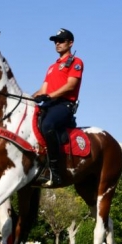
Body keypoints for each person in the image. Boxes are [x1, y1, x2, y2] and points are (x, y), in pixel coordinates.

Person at [31, 28, 84, 187]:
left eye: (61, 41)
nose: (57, 44)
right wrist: (28, 98)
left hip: (64, 105)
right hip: (50, 103)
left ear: (70, 43)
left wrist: (50, 96)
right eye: (56, 41)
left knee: (47, 125)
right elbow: (43, 89)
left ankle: (54, 171)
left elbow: (70, 86)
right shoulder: (52, 67)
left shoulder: (76, 62)